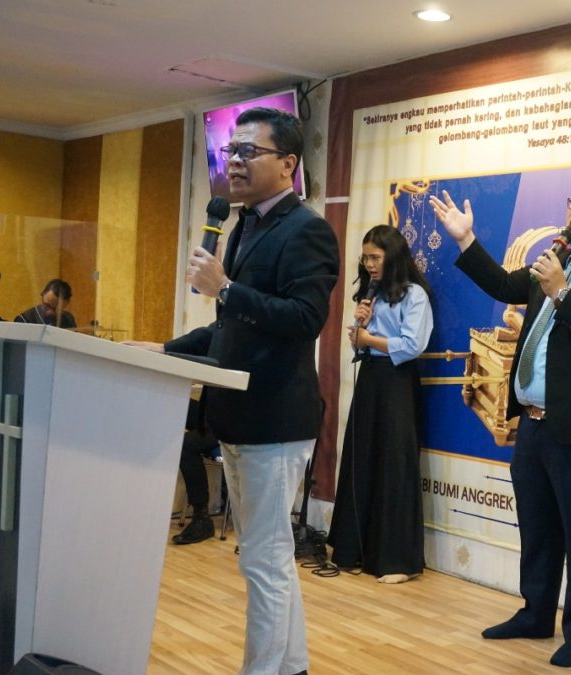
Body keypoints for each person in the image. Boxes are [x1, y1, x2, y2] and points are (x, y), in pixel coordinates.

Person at [126, 107, 339, 675]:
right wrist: (167, 350)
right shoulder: (245, 223)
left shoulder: (307, 229)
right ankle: (291, 666)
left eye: (249, 151)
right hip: (237, 415)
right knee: (269, 558)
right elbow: (231, 329)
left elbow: (304, 319)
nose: (235, 162)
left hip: (275, 419)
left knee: (263, 560)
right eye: (231, 151)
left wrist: (225, 287)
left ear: (288, 164)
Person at [430, 171, 571, 668]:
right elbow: (503, 284)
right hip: (533, 422)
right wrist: (465, 239)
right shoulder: (556, 261)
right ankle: (535, 613)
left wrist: (562, 293)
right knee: (538, 524)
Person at [327, 224, 433, 584]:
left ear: (393, 257)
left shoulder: (414, 295)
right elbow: (360, 343)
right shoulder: (371, 295)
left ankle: (398, 561)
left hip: (397, 383)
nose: (369, 264)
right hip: (371, 377)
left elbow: (411, 345)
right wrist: (359, 333)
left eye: (375, 257)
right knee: (362, 456)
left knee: (394, 464)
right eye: (365, 258)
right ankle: (353, 549)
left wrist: (368, 338)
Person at [173, 395, 222, 545]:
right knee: (173, 401)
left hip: (240, 421)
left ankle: (202, 518)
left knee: (186, 444)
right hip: (219, 412)